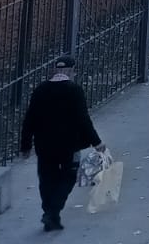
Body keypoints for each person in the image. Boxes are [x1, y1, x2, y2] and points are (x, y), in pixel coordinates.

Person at [20, 55, 103, 232]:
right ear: (72, 71)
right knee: (69, 177)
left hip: (44, 146)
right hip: (69, 146)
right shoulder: (74, 90)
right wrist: (97, 142)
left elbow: (30, 119)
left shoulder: (40, 90)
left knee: (46, 178)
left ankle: (49, 212)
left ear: (55, 70)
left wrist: (25, 145)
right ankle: (53, 211)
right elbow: (83, 119)